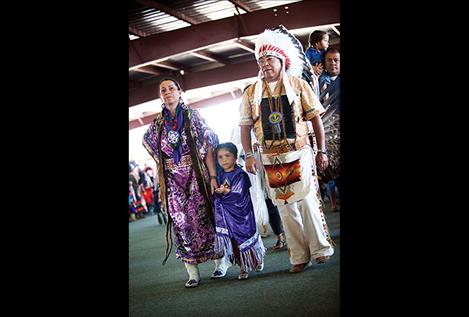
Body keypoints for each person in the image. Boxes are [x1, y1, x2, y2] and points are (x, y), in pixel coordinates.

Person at [239, 25, 334, 273]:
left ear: (282, 60)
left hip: (298, 152)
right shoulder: (251, 92)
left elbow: (316, 120)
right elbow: (245, 126)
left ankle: (320, 249)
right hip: (271, 157)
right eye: (261, 60)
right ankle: (299, 256)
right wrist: (248, 155)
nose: (265, 64)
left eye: (269, 58)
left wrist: (321, 151)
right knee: (285, 206)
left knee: (306, 202)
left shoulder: (298, 85)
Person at [142, 77, 221, 288]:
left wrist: (212, 177)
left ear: (179, 92)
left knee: (204, 216)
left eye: (171, 88)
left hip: (197, 176)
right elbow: (151, 146)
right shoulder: (157, 123)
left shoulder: (193, 116)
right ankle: (192, 272)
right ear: (160, 96)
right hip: (173, 181)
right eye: (163, 90)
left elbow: (208, 146)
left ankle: (219, 263)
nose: (167, 92)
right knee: (181, 222)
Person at [211, 142, 266, 280]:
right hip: (227, 217)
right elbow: (216, 194)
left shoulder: (240, 174)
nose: (223, 160)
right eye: (220, 157)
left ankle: (256, 260)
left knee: (246, 238)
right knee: (233, 241)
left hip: (242, 214)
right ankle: (243, 266)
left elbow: (238, 193)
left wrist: (226, 191)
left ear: (235, 157)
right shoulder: (218, 176)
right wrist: (218, 192)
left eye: (227, 156)